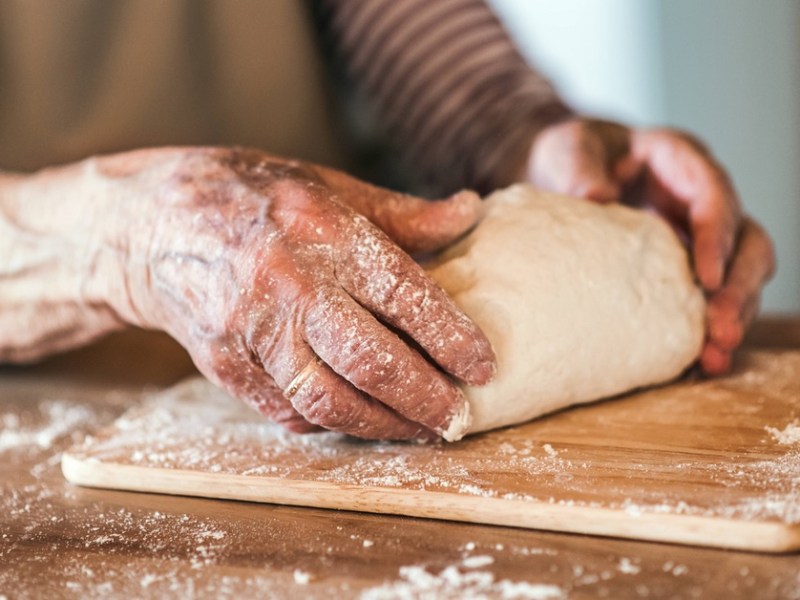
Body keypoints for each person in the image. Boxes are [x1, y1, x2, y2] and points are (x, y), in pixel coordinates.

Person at [0, 0, 775, 440]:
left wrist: (528, 139)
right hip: (37, 417)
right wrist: (125, 238)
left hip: (350, 341)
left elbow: (405, 23)